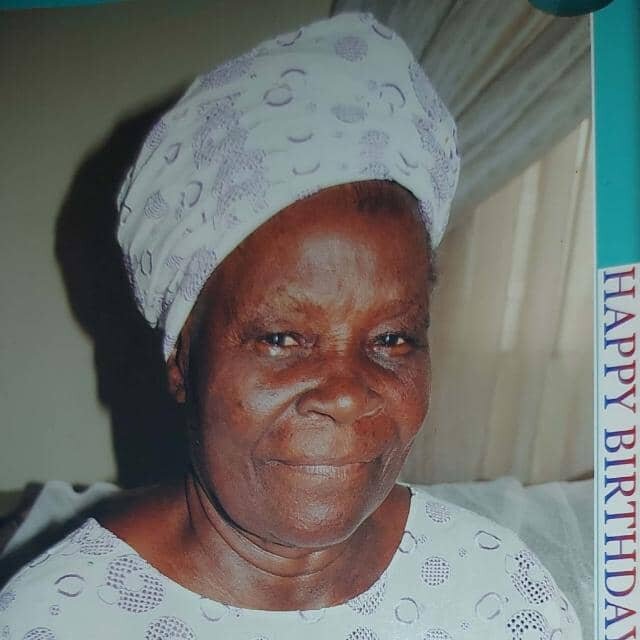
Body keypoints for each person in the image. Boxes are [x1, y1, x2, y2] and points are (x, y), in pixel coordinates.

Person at [0, 13, 582, 639]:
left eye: (392, 339)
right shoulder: (62, 618)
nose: (346, 395)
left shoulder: (494, 586)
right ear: (181, 357)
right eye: (281, 339)